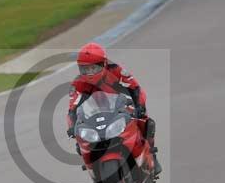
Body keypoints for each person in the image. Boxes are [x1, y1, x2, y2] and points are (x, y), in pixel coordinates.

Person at [67, 42, 162, 175]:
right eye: (85, 69)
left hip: (121, 108)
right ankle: (95, 171)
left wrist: (139, 106)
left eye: (94, 68)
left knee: (146, 123)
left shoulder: (117, 71)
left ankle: (152, 156)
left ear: (104, 64)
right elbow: (72, 109)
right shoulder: (78, 84)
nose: (89, 73)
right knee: (79, 141)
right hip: (95, 114)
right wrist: (72, 127)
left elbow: (136, 88)